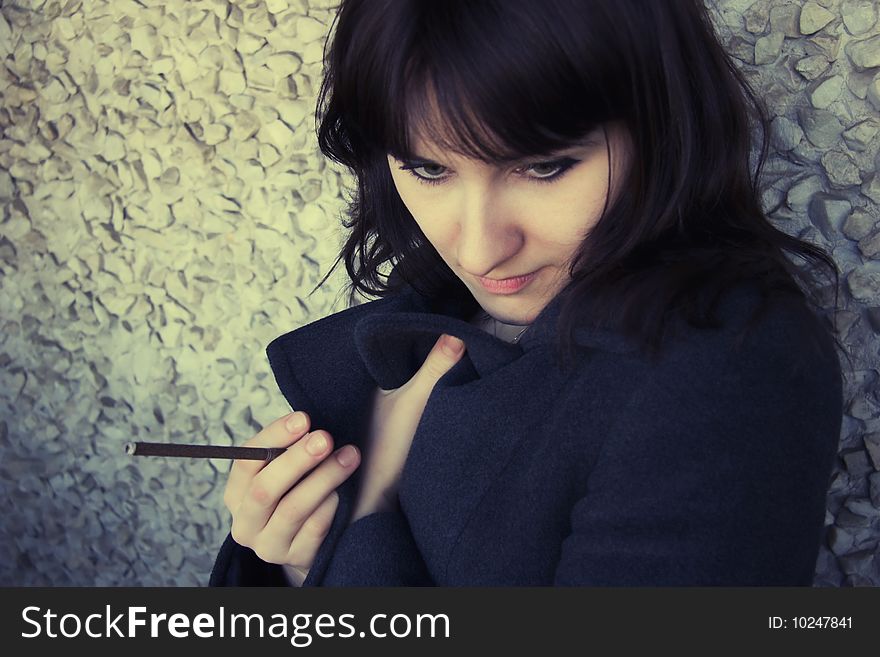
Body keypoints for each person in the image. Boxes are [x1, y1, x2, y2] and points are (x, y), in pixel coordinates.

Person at [210, 0, 847, 586]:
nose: (480, 249)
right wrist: (293, 556)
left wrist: (356, 535)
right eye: (428, 169)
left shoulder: (727, 372)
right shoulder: (432, 311)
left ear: (660, 126)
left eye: (542, 167)